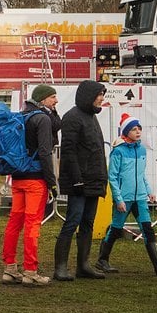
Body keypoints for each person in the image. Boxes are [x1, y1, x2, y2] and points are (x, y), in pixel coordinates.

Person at [98, 115, 157, 276]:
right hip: (124, 199)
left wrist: (149, 191)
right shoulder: (118, 151)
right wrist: (119, 199)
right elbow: (113, 177)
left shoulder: (142, 149)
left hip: (140, 198)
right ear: (126, 131)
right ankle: (102, 260)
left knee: (148, 229)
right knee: (116, 229)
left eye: (139, 129)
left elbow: (142, 174)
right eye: (133, 129)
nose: (138, 132)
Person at [1, 85, 59, 285]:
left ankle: (9, 268)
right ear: (42, 100)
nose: (56, 101)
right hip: (35, 179)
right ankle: (30, 271)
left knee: (14, 223)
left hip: (18, 177)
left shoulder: (21, 116)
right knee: (32, 224)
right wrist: (52, 182)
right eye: (53, 97)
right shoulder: (41, 119)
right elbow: (45, 152)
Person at [54, 79, 108, 281]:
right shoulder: (72, 118)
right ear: (88, 96)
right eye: (99, 95)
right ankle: (60, 267)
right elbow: (68, 151)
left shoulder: (91, 118)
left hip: (94, 181)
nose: (101, 99)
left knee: (88, 223)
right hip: (80, 182)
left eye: (102, 95)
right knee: (72, 221)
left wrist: (102, 178)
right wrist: (76, 180)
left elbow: (95, 150)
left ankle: (83, 265)